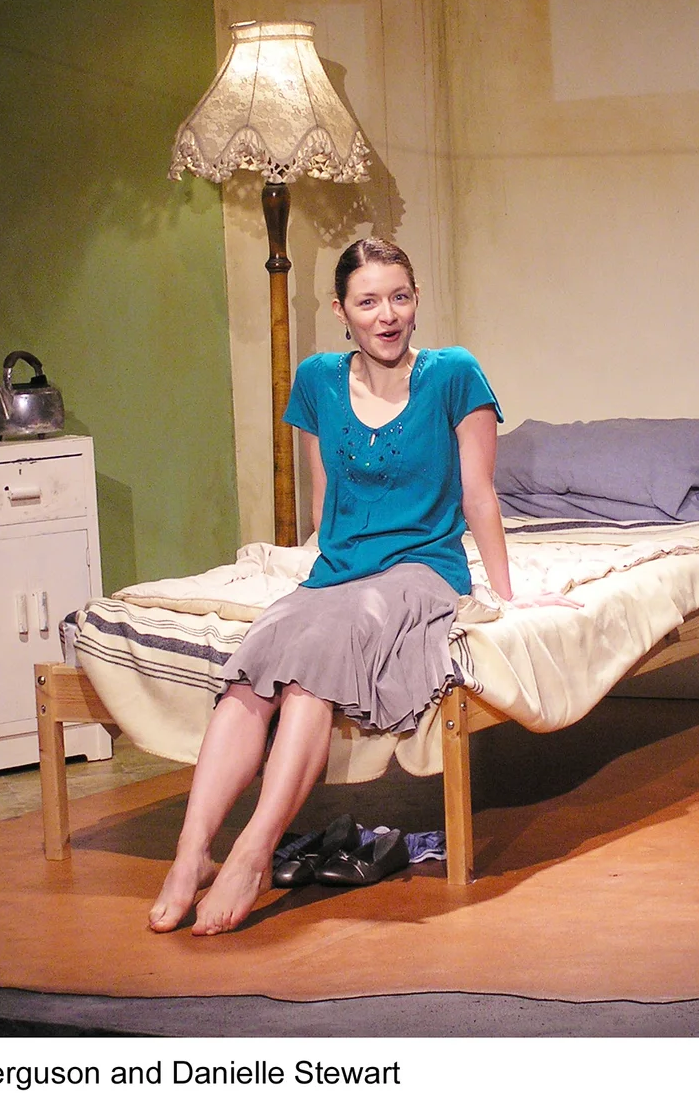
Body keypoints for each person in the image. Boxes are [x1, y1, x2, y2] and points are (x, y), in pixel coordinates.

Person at [149, 237, 563, 935]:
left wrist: (505, 592)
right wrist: (312, 575)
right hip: (338, 572)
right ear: (342, 311)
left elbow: (478, 493)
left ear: (417, 299)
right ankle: (190, 856)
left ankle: (252, 852)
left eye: (399, 297)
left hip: (420, 570)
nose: (387, 315)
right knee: (253, 668)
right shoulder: (316, 380)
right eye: (368, 302)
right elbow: (324, 496)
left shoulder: (454, 375)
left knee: (313, 676)